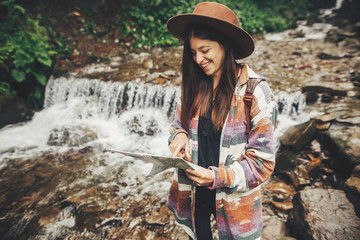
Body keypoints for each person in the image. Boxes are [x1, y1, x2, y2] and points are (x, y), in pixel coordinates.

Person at [166, 2, 277, 240]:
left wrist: (216, 177)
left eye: (205, 50)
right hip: (195, 196)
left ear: (226, 46)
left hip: (234, 202)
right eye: (193, 52)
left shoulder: (256, 93)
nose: (198, 59)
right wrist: (180, 137)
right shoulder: (192, 86)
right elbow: (177, 126)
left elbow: (262, 164)